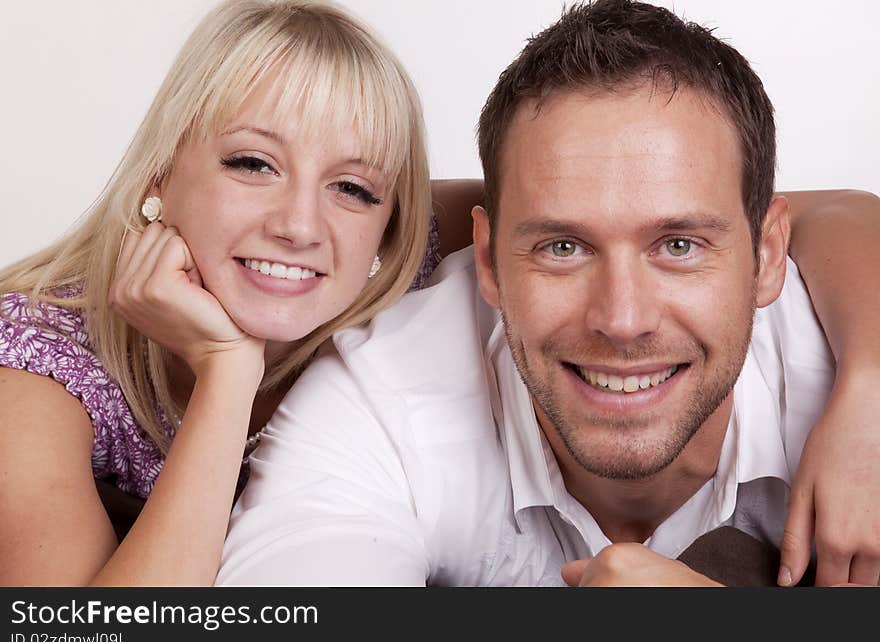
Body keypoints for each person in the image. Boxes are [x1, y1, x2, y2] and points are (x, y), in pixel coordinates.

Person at [217, 0, 880, 587]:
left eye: (678, 245)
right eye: (563, 247)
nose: (623, 320)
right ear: (489, 262)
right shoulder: (384, 396)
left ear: (768, 257)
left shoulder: (846, 389)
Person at [0, 0, 435, 586]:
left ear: (391, 224)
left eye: (353, 188)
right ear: (158, 173)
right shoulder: (34, 369)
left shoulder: (421, 258)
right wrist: (228, 374)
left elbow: (566, 189)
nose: (300, 226)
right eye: (254, 164)